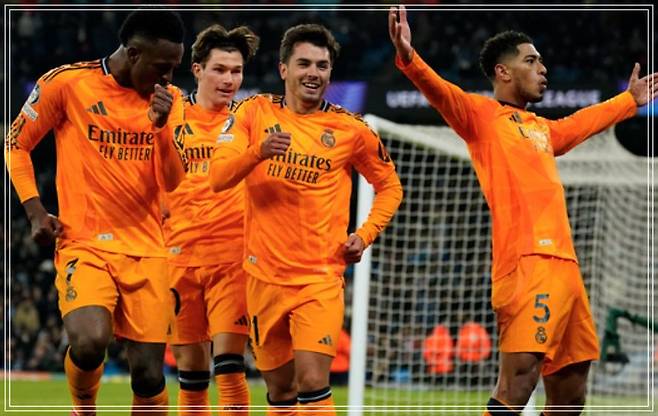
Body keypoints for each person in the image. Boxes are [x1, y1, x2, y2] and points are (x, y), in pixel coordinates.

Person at [388, 5, 657, 416]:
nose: (542, 69)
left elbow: (577, 124)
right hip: (526, 265)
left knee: (571, 394)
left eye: (541, 61)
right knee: (518, 384)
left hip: (566, 267)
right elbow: (440, 90)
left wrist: (627, 101)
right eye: (531, 61)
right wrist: (409, 57)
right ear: (503, 72)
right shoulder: (481, 117)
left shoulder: (541, 129)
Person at [209, 23, 403, 415]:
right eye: (304, 64)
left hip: (319, 278)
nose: (314, 73)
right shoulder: (253, 111)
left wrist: (365, 234)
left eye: (322, 65)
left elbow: (390, 186)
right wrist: (258, 152)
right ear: (284, 69)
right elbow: (218, 178)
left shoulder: (351, 129)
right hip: (263, 277)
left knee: (313, 382)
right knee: (281, 390)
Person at [6, 9, 188, 415]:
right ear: (134, 53)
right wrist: (35, 211)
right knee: (89, 343)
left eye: (174, 67)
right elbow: (16, 144)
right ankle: (83, 409)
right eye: (162, 67)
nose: (168, 77)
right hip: (85, 243)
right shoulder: (68, 83)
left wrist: (161, 128)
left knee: (149, 377)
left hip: (147, 249)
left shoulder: (170, 100)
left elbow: (174, 181)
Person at [162, 24, 259, 415]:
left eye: (236, 71)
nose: (229, 79)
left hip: (231, 257)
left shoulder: (249, 120)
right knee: (190, 371)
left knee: (230, 366)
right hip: (176, 256)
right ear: (197, 69)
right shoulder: (171, 109)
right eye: (220, 69)